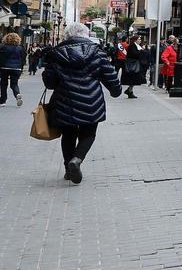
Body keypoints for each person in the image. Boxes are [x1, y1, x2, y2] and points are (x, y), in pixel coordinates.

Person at [41, 22, 122, 184]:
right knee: (89, 134)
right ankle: (77, 160)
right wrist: (115, 90)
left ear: (67, 35)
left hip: (65, 101)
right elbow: (110, 75)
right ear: (86, 35)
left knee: (68, 135)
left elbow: (49, 83)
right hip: (91, 101)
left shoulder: (55, 54)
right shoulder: (98, 53)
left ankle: (67, 169)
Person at [0, 32, 25, 106]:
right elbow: (23, 59)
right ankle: (17, 94)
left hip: (4, 67)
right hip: (16, 68)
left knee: (3, 84)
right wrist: (21, 68)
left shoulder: (2, 47)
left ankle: (3, 101)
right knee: (14, 84)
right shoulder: (20, 48)